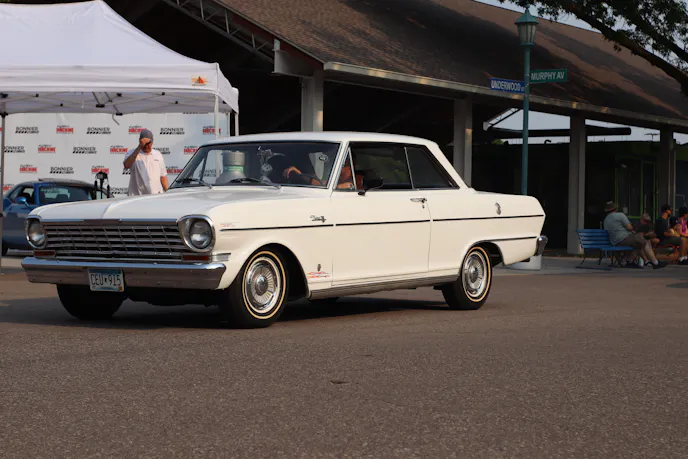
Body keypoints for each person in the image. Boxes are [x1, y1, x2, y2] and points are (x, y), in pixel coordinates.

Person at [602, 201, 666, 269]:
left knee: (638, 242)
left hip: (615, 242)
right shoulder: (620, 215)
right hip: (624, 239)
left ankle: (640, 261)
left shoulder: (606, 220)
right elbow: (629, 228)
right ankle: (655, 263)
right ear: (615, 209)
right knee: (645, 240)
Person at [123, 129, 169, 196]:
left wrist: (168, 193)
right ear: (139, 141)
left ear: (152, 142)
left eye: (148, 143)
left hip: (155, 197)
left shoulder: (158, 154)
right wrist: (139, 147)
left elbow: (163, 177)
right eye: (144, 143)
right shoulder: (132, 153)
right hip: (136, 197)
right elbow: (126, 165)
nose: (146, 146)